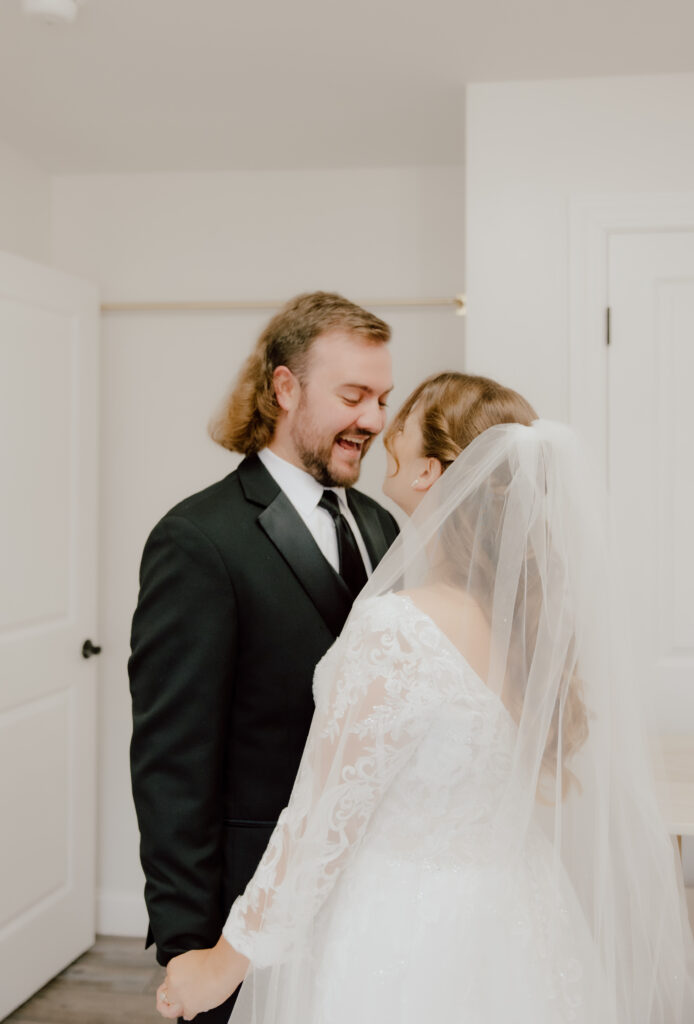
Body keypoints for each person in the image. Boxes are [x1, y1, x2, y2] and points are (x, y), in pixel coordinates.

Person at [156, 372, 694, 1023]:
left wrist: (220, 966)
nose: (381, 424)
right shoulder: (525, 623)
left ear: (430, 472)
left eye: (397, 414)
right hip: (516, 919)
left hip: (403, 931)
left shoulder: (400, 628)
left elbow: (321, 823)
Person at [129, 291, 399, 1024]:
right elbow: (171, 760)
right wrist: (187, 941)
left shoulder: (382, 524)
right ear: (285, 388)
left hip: (374, 896)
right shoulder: (199, 539)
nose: (374, 421)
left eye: (382, 398)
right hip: (247, 910)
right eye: (353, 396)